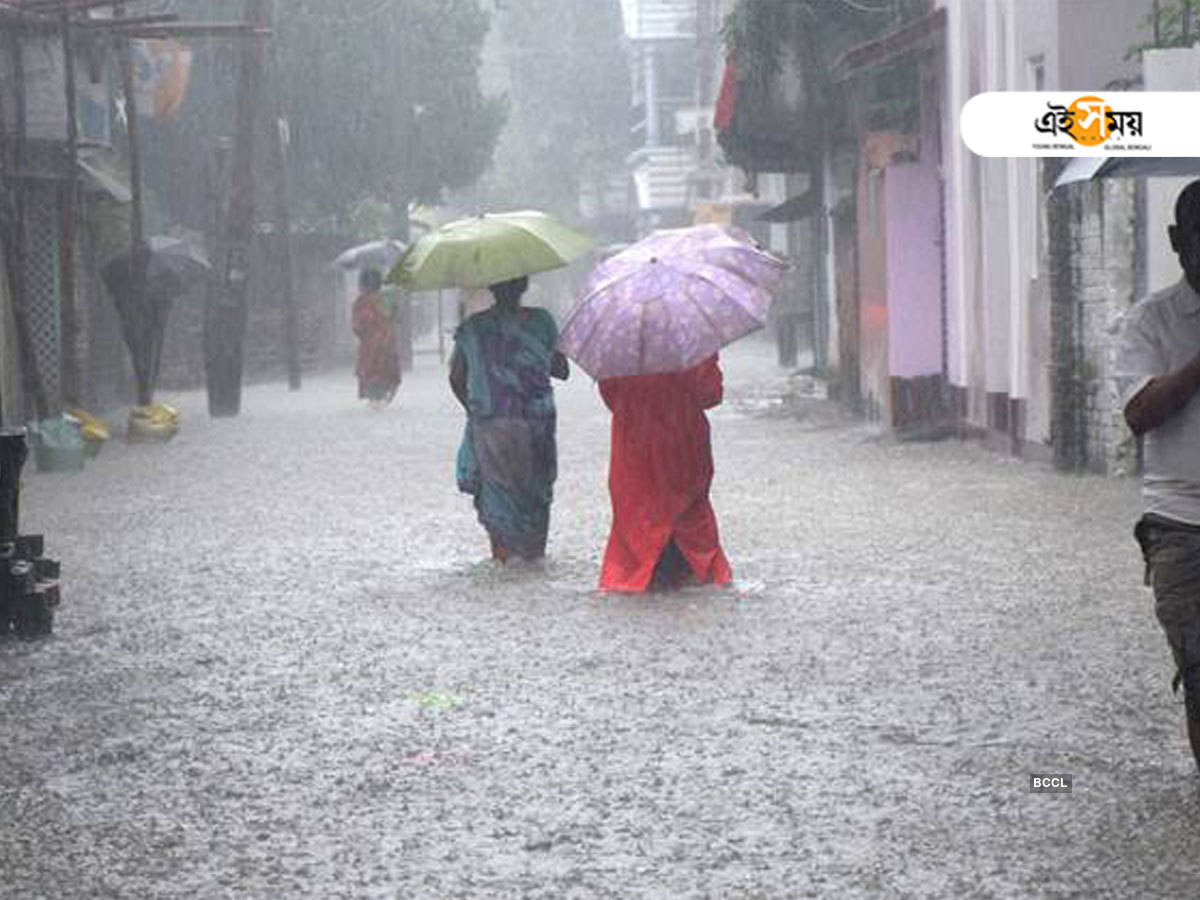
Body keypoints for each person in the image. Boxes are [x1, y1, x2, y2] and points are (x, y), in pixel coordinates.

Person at [1117, 178, 1200, 775]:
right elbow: (1139, 413)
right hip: (1181, 524)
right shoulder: (1151, 321)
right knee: (1199, 666)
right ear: (1176, 240)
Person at [450, 276, 569, 562]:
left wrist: (474, 408)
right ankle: (533, 558)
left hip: (492, 422)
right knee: (536, 492)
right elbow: (562, 369)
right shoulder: (542, 322)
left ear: (492, 287)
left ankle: (504, 560)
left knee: (498, 494)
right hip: (538, 422)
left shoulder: (474, 328)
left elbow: (456, 377)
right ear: (524, 285)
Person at [598, 353, 733, 592]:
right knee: (688, 505)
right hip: (683, 434)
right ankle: (692, 567)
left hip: (634, 436)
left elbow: (611, 395)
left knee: (638, 504)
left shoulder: (619, 346)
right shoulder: (692, 342)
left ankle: (643, 568)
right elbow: (710, 394)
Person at [351, 268, 401, 408]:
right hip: (386, 342)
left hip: (370, 346)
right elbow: (395, 317)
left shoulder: (361, 302)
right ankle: (383, 394)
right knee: (385, 370)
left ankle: (375, 396)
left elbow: (357, 327)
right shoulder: (386, 299)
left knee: (373, 371)